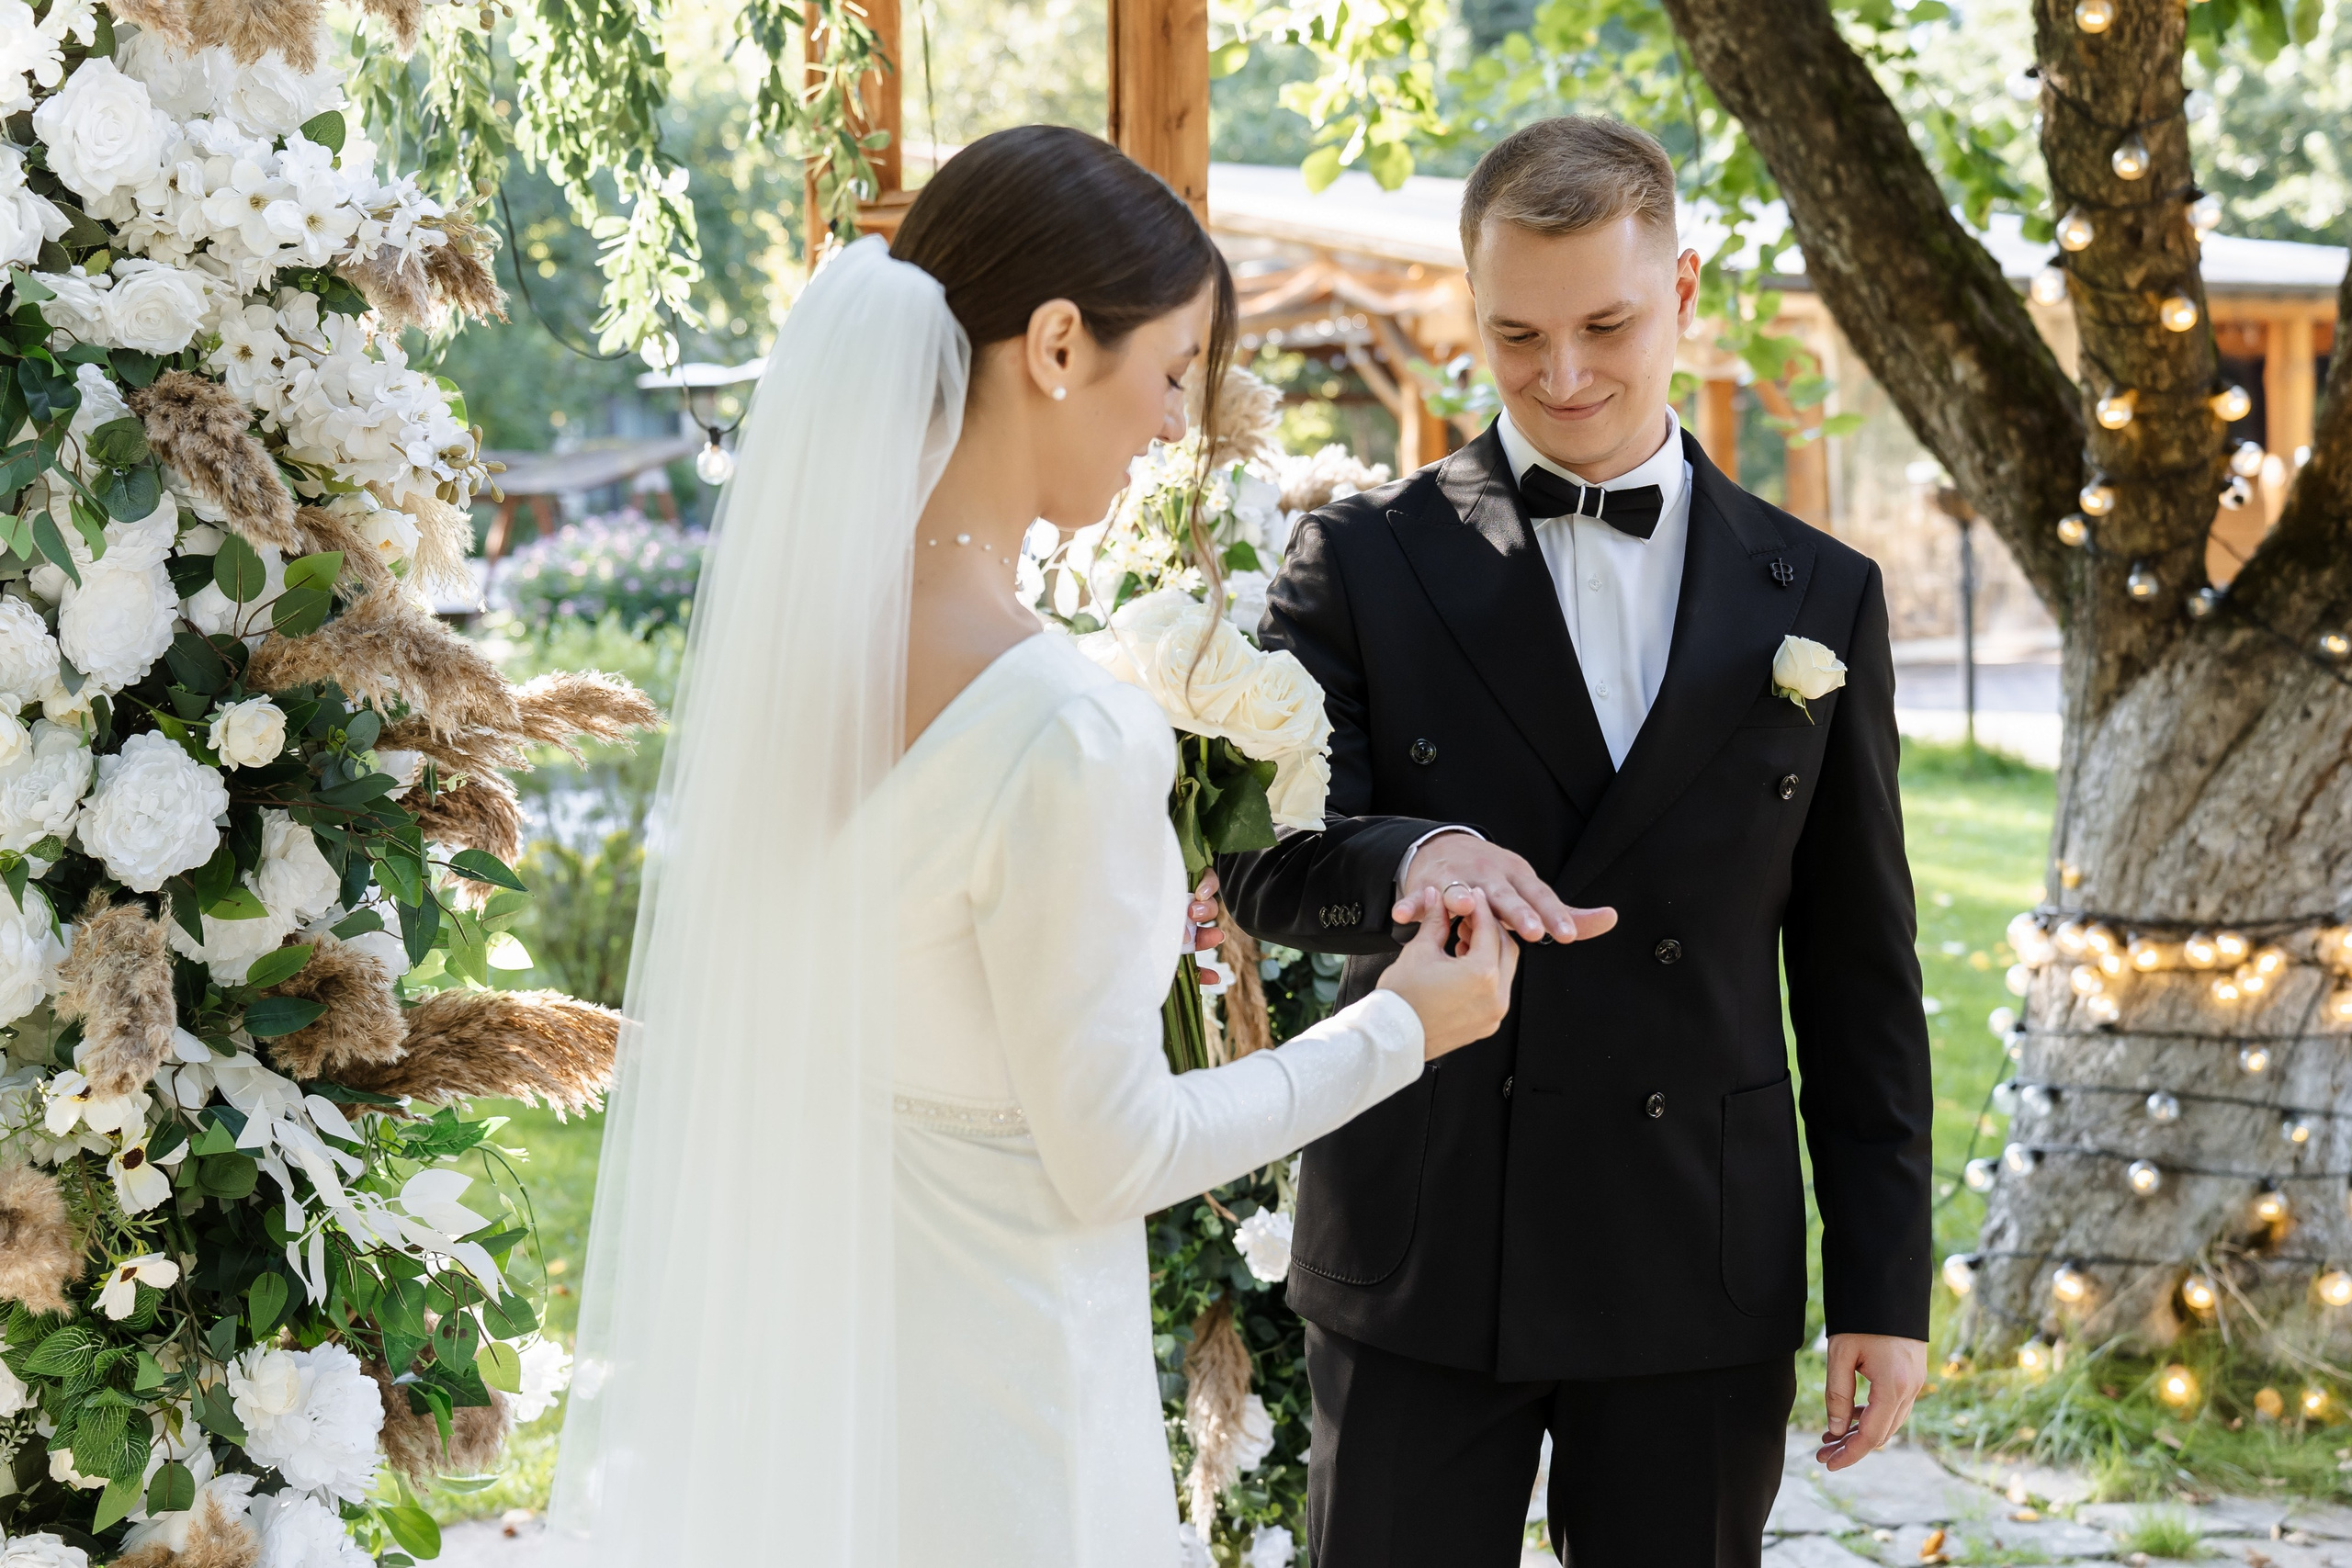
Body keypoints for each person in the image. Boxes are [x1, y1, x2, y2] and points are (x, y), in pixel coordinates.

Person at [549, 125, 1538, 1568]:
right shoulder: (1068, 728)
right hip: (999, 1421)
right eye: (1174, 368)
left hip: (816, 1393)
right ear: (1061, 345)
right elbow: (1115, 1149)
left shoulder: (801, 662)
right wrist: (1399, 1028)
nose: (1170, 420)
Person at [1218, 115, 1936, 1568]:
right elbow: (1263, 857)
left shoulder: (1824, 598)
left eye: (1606, 324)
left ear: (1682, 295)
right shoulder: (1358, 562)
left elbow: (1860, 970)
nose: (1562, 379)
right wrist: (1413, 857)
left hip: (1694, 1254)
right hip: (1427, 1237)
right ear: (1468, 316)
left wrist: (1884, 1285)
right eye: (1516, 335)